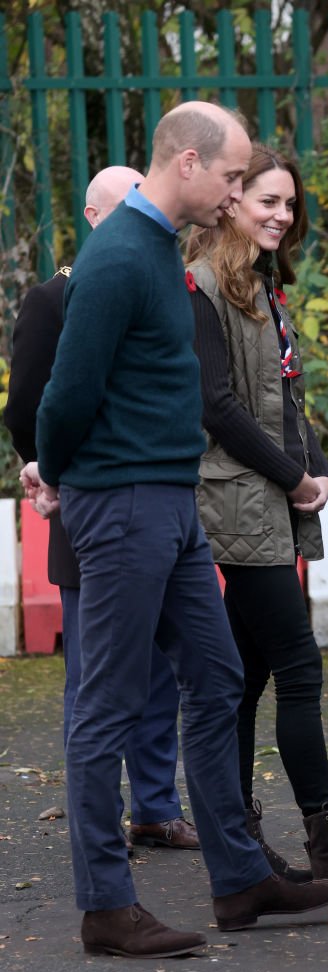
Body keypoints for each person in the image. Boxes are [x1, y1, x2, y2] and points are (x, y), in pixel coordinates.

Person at [31, 101, 328, 959]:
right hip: (123, 500)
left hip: (171, 503)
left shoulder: (161, 250)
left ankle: (241, 880)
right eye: (234, 177)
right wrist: (57, 471)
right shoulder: (118, 257)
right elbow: (65, 394)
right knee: (107, 703)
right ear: (188, 165)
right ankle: (106, 905)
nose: (240, 193)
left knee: (213, 679)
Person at [184, 142, 328, 889]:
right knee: (298, 667)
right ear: (232, 203)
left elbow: (281, 398)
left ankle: (243, 843)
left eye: (288, 202)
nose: (281, 214)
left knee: (247, 676)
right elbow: (216, 405)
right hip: (237, 502)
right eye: (265, 201)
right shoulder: (206, 285)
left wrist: (315, 463)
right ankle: (325, 837)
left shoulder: (262, 282)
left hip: (267, 500)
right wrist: (291, 475)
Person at [5, 166, 199, 855]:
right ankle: (97, 824)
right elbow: (29, 405)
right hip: (86, 510)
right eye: (122, 208)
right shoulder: (52, 300)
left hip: (152, 511)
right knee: (96, 678)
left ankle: (155, 807)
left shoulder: (159, 277)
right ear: (92, 215)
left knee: (160, 673)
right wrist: (53, 475)